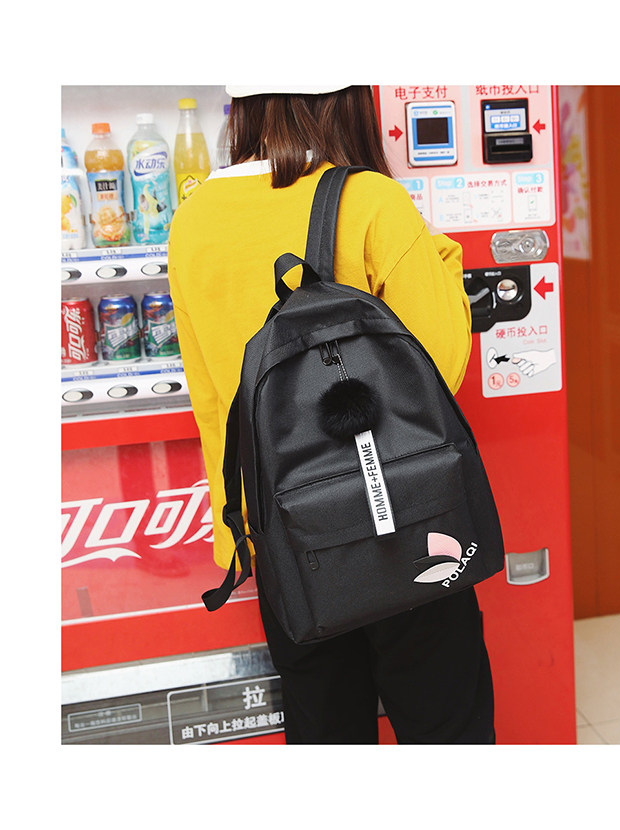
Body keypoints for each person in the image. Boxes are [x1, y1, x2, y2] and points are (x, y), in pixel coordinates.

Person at [168, 85, 495, 744]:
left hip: (282, 535)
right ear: (346, 102)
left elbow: (212, 394)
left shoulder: (193, 216)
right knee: (447, 729)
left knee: (325, 732)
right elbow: (440, 367)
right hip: (402, 522)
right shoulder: (371, 201)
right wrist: (442, 256)